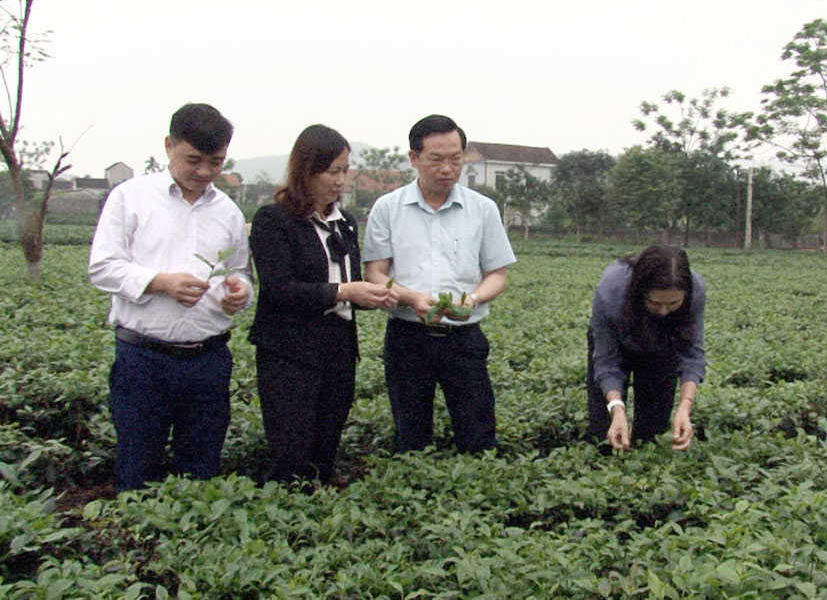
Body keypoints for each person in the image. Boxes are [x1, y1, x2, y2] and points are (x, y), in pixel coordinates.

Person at [89, 103, 253, 492]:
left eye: (215, 162)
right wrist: (160, 282)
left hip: (209, 359)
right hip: (144, 359)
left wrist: (240, 292)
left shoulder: (227, 211)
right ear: (169, 146)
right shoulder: (130, 197)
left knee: (201, 469)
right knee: (138, 464)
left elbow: (240, 270)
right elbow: (102, 266)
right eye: (193, 160)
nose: (204, 172)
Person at [248, 124, 395, 483]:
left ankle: (322, 501)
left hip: (338, 346)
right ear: (306, 170)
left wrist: (372, 296)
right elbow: (279, 289)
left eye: (345, 170)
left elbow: (350, 278)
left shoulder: (344, 222)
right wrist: (344, 292)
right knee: (292, 447)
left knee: (327, 440)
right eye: (333, 171)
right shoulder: (275, 220)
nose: (341, 180)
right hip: (290, 351)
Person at [363, 114, 516, 453]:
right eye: (436, 159)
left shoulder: (483, 209)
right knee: (411, 437)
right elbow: (375, 272)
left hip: (464, 339)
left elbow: (498, 274)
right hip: (407, 338)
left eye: (455, 158)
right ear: (414, 158)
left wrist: (474, 299)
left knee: (478, 436)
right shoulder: (388, 208)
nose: (447, 168)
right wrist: (410, 298)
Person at [587, 245, 706, 451]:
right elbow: (607, 359)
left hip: (663, 343)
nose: (663, 311)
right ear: (640, 291)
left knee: (653, 431)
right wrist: (616, 409)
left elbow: (692, 353)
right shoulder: (612, 290)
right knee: (604, 435)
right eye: (655, 303)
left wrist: (685, 408)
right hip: (618, 337)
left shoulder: (695, 291)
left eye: (673, 304)